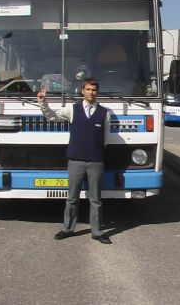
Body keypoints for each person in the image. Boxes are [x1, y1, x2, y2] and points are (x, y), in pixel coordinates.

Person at [37, 77, 111, 244]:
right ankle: (68, 229)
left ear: (97, 92)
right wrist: (43, 103)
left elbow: (106, 138)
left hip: (96, 162)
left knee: (96, 199)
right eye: (88, 89)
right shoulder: (72, 109)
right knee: (72, 198)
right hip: (76, 160)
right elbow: (53, 117)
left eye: (94, 90)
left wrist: (97, 153)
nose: (91, 92)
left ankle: (97, 231)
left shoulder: (105, 113)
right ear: (82, 91)